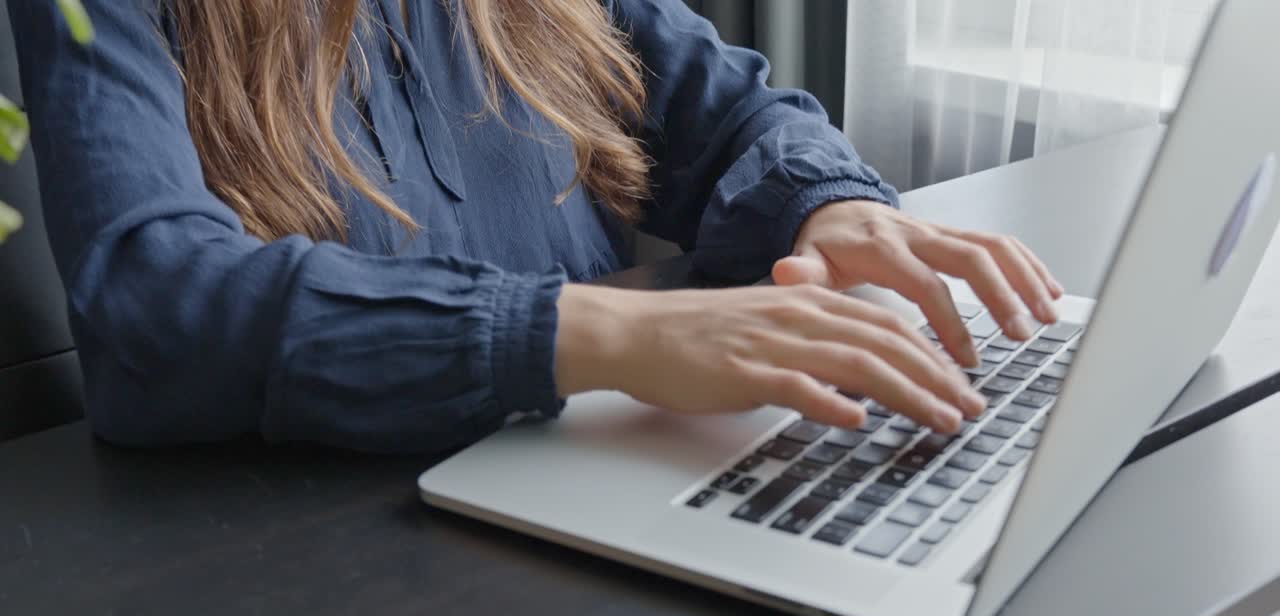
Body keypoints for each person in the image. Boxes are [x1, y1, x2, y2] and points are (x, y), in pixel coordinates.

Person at [9, 0, 1063, 455]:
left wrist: (830, 206)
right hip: (332, 592)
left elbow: (729, 112)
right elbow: (151, 309)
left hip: (600, 516)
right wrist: (607, 338)